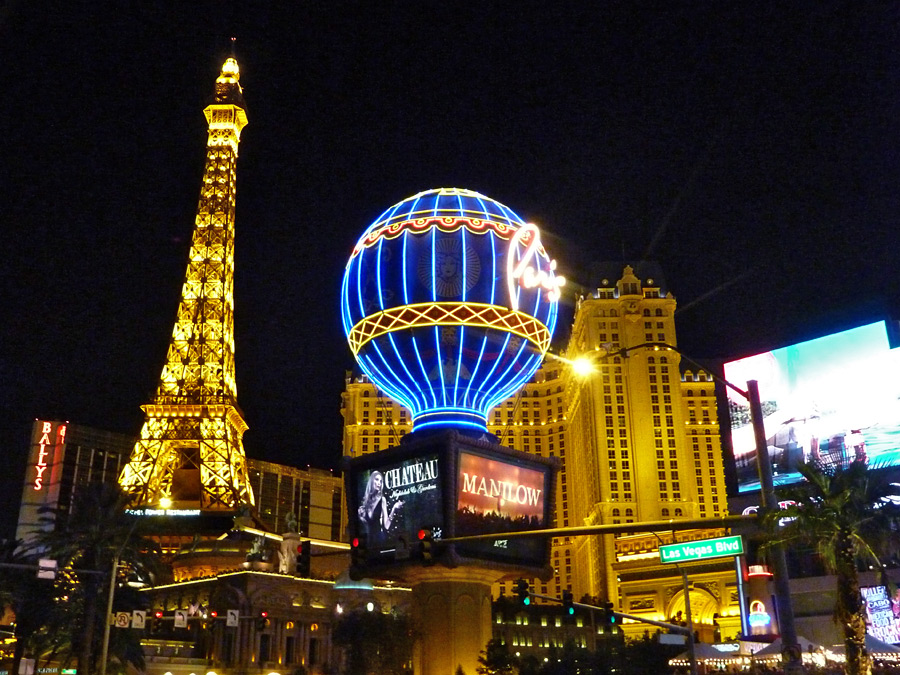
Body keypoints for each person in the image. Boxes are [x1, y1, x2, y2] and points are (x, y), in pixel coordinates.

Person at [358, 471, 403, 544]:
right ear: (372, 481)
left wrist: (393, 509)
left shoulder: (382, 500)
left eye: (381, 481)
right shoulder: (365, 502)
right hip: (368, 541)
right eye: (376, 479)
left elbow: (386, 526)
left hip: (379, 539)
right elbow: (367, 526)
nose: (379, 483)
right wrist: (361, 518)